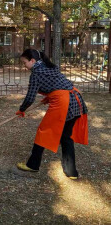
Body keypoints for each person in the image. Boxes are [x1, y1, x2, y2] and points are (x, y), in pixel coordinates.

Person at [16, 49, 88, 179]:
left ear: (32, 61)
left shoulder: (36, 73)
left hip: (64, 103)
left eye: (24, 62)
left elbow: (30, 98)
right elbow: (59, 85)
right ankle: (71, 172)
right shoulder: (48, 66)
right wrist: (49, 97)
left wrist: (22, 109)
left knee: (44, 131)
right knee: (66, 137)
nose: (24, 66)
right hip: (76, 100)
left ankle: (33, 165)